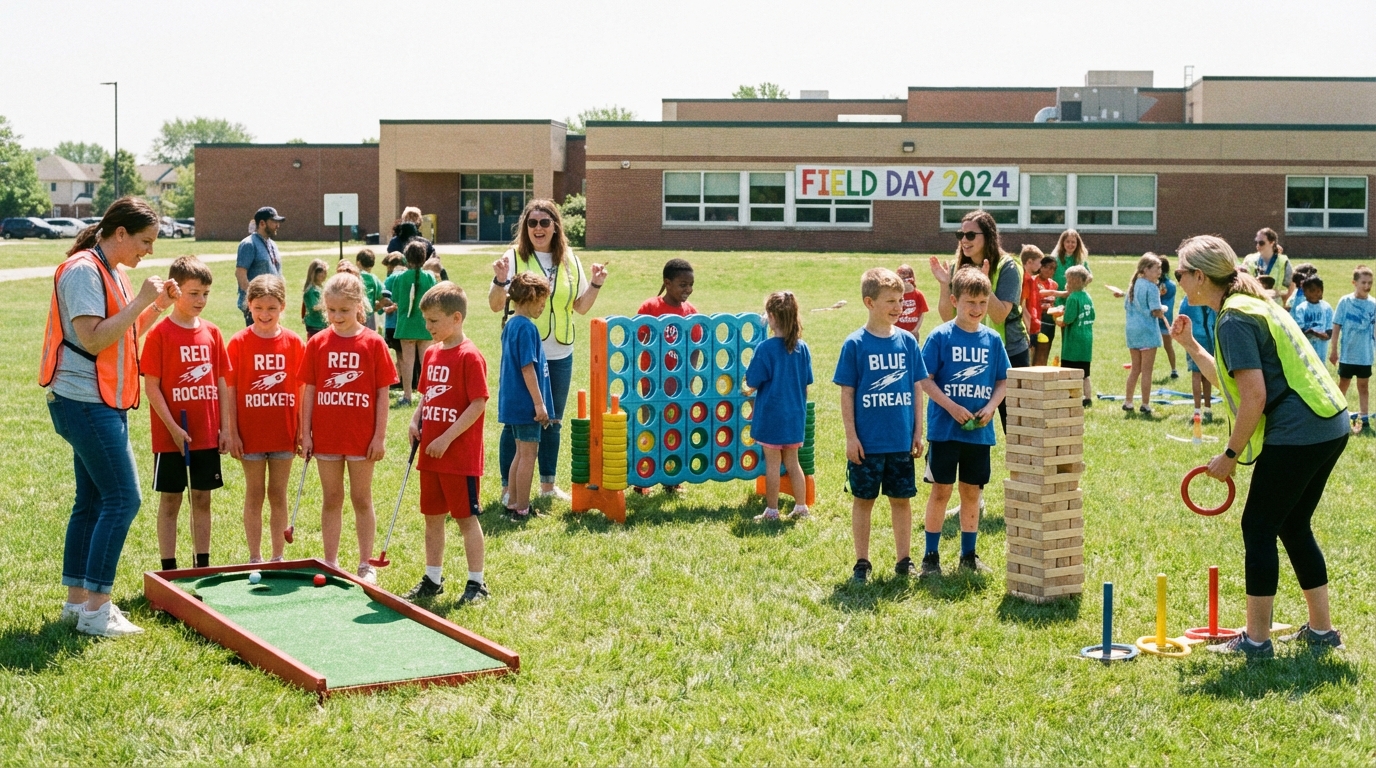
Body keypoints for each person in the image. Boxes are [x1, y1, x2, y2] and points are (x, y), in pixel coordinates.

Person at [1170, 234, 1349, 657]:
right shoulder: (1250, 304)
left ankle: (1255, 640)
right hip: (1330, 421)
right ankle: (1322, 631)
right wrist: (1191, 346)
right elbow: (1236, 383)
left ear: (1200, 276)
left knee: (1259, 526)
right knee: (1292, 522)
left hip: (1300, 430)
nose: (1177, 280)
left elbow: (1254, 398)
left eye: (1180, 273)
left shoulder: (1235, 318)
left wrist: (1229, 456)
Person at [41, 197, 179, 637]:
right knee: (124, 499)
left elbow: (123, 331)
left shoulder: (113, 270)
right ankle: (98, 610)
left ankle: (77, 604)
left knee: (94, 501)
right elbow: (95, 339)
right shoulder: (84, 270)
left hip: (102, 401)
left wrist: (154, 306)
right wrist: (140, 300)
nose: (149, 251)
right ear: (119, 234)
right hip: (84, 401)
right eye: (145, 241)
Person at [487, 199, 608, 503]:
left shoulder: (569, 259)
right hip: (524, 352)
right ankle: (508, 489)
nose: (538, 228)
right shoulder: (513, 257)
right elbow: (494, 304)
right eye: (532, 223)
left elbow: (580, 307)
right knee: (517, 421)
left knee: (552, 419)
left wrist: (595, 285)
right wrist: (500, 279)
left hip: (560, 352)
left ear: (556, 226)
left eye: (544, 222)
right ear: (525, 227)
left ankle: (547, 485)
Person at [299, 273, 398, 584]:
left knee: (361, 498)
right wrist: (305, 432)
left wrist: (379, 436)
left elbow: (383, 393)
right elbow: (310, 390)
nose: (336, 317)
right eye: (331, 310)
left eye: (343, 310)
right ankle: (330, 561)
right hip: (326, 437)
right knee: (331, 498)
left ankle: (365, 564)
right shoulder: (317, 343)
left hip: (361, 438)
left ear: (359, 306)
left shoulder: (373, 343)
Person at [834, 268, 927, 583]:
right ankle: (862, 562)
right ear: (869, 302)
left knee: (901, 500)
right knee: (864, 501)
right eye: (890, 301)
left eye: (901, 300)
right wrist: (851, 437)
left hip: (900, 440)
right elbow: (847, 393)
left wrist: (918, 431)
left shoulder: (908, 343)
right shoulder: (855, 344)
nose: (898, 307)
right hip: (868, 443)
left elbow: (917, 388)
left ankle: (904, 560)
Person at [141, 255, 231, 572]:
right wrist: (173, 430)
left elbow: (222, 383)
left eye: (205, 294)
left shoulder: (213, 333)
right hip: (171, 436)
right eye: (193, 293)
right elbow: (152, 388)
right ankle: (169, 568)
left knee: (202, 499)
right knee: (170, 501)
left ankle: (201, 565)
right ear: (176, 291)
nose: (200, 300)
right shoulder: (159, 334)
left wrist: (225, 428)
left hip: (206, 434)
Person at [917, 267, 1009, 577]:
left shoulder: (993, 340)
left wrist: (992, 407)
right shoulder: (940, 336)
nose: (977, 309)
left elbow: (1003, 381)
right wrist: (952, 406)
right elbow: (924, 380)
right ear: (955, 300)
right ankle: (931, 556)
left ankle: (968, 555)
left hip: (979, 435)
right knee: (941, 491)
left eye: (983, 303)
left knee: (972, 493)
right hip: (945, 431)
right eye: (971, 302)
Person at [404, 282, 490, 606]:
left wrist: (445, 438)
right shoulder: (432, 355)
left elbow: (478, 403)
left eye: (434, 321)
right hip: (431, 456)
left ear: (456, 318)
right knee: (432, 517)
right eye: (426, 321)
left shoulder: (470, 356)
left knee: (466, 519)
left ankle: (477, 583)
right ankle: (433, 578)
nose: (428, 327)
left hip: (458, 458)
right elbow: (427, 395)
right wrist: (416, 420)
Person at [226, 275, 305, 564]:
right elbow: (230, 392)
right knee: (255, 492)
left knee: (278, 494)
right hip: (250, 434)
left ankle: (277, 556)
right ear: (249, 305)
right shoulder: (238, 343)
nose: (265, 314)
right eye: (259, 308)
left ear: (282, 307)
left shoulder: (294, 343)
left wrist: (301, 430)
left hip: (283, 432)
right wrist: (232, 432)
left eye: (271, 308)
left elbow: (302, 390)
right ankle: (255, 556)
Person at [928, 210, 1028, 432]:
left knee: (1017, 427)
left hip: (1009, 350)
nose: (964, 240)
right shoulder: (957, 267)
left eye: (971, 235)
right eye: (960, 235)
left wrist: (985, 284)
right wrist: (945, 285)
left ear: (988, 236)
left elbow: (1000, 314)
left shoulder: (1007, 266)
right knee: (968, 420)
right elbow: (947, 316)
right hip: (970, 352)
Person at [744, 291, 813, 523]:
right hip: (794, 417)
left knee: (772, 465)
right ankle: (801, 506)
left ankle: (772, 511)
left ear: (772, 317)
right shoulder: (802, 348)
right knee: (793, 463)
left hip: (771, 417)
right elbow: (805, 385)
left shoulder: (765, 348)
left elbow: (752, 381)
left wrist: (746, 388)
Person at [632, 258, 698, 494]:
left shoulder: (691, 313)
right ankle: (643, 478)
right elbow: (639, 341)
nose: (687, 290)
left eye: (691, 285)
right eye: (682, 284)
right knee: (651, 428)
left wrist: (689, 377)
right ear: (667, 283)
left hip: (679, 385)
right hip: (652, 383)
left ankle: (672, 478)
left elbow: (696, 347)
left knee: (674, 430)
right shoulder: (650, 308)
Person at [499, 272, 555, 519]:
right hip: (526, 405)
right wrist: (539, 404)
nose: (543, 307)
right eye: (541, 301)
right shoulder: (526, 328)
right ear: (530, 297)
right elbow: (526, 367)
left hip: (513, 403)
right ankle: (522, 508)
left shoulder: (511, 324)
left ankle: (512, 502)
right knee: (528, 455)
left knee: (520, 453)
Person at [1329, 265, 1376, 435]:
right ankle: (1337, 418)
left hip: (1365, 356)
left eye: (1370, 282)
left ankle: (1364, 420)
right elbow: (1336, 327)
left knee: (1364, 387)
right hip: (1348, 355)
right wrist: (1334, 350)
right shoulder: (1345, 301)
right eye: (1363, 282)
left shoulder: (1373, 304)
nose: (1367, 286)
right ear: (1354, 283)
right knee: (1343, 386)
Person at [391, 241, 438, 406]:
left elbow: (395, 298)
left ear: (406, 257)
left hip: (406, 324)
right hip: (425, 324)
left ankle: (407, 396)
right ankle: (427, 396)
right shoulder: (430, 277)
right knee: (426, 362)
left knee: (407, 362)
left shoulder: (400, 277)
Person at [1123, 253, 1165, 415]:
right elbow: (1155, 311)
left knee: (1135, 369)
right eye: (1156, 269)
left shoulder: (1133, 285)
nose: (1159, 272)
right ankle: (1145, 404)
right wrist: (1163, 310)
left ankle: (1128, 401)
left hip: (1132, 332)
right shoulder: (1152, 287)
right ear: (1145, 270)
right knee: (1147, 370)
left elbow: (1127, 307)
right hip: (1147, 331)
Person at [236, 207, 285, 327]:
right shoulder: (249, 244)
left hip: (273, 305)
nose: (277, 225)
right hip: (257, 308)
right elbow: (240, 274)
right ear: (262, 223)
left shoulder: (273, 244)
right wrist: (253, 301)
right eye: (274, 222)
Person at [1057, 266, 1095, 406]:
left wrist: (1060, 320)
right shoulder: (1087, 296)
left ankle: (1069, 397)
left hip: (1074, 340)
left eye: (1067, 280)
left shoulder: (1072, 297)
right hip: (1087, 337)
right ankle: (1087, 397)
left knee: (1069, 369)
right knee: (1085, 372)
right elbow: (1093, 315)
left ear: (1073, 281)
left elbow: (1068, 319)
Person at [1177, 290, 1216, 422]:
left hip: (1194, 337)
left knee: (1196, 374)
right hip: (1209, 336)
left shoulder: (1187, 299)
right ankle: (1207, 408)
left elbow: (1180, 316)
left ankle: (1198, 409)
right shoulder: (1210, 296)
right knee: (1208, 373)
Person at [1242, 228, 1292, 306]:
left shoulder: (1283, 261)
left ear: (1272, 243)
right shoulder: (1249, 260)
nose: (1258, 245)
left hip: (1275, 308)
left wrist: (1279, 294)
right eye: (1256, 242)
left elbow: (1291, 287)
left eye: (1261, 243)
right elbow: (1242, 285)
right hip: (1254, 306)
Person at [1294, 275, 1334, 363]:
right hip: (1306, 348)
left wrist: (1317, 333)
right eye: (1312, 291)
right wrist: (1310, 331)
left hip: (1321, 349)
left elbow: (1329, 333)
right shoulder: (1301, 308)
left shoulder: (1327, 308)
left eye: (1319, 290)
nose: (1317, 293)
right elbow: (1299, 332)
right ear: (1304, 292)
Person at [1032, 255, 1058, 366]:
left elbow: (1053, 303)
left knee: (1044, 351)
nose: (1050, 270)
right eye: (1048, 267)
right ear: (1041, 267)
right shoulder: (1033, 281)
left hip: (1049, 321)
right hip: (1036, 319)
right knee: (1033, 350)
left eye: (1053, 268)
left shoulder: (1054, 284)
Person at [1157, 255, 1180, 379]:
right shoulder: (1171, 284)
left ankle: (1174, 369)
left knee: (1164, 345)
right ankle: (1174, 369)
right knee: (1167, 346)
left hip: (1160, 318)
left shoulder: (1166, 285)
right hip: (1167, 319)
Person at [895, 263, 929, 340]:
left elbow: (922, 313)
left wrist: (915, 330)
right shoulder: (895, 295)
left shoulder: (918, 295)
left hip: (912, 332)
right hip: (897, 332)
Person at [356, 249, 384, 331]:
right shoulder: (373, 278)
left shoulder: (353, 276)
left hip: (354, 313)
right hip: (369, 314)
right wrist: (377, 307)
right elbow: (383, 295)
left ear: (358, 262)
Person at [301, 259, 328, 338]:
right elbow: (315, 306)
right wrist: (329, 305)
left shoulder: (319, 287)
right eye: (321, 272)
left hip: (321, 323)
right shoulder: (312, 290)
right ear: (314, 273)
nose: (324, 275)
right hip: (315, 325)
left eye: (325, 272)